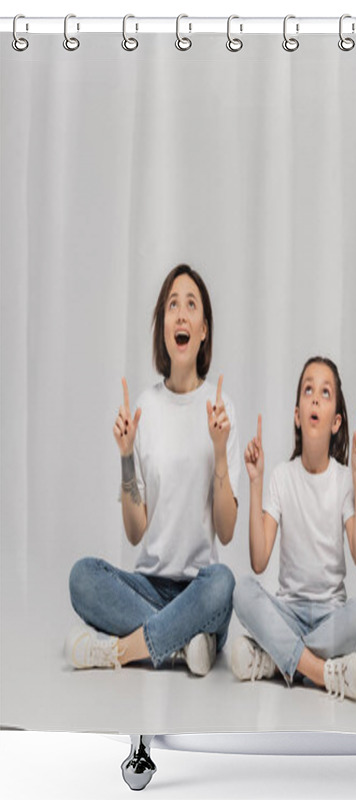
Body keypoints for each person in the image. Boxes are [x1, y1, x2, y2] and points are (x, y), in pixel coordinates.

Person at [65, 264, 241, 676]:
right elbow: (134, 531)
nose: (181, 314)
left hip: (200, 588)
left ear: (203, 331)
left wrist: (219, 452)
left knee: (224, 584)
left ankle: (121, 651)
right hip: (149, 586)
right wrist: (126, 455)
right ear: (163, 327)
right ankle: (182, 645)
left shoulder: (221, 409)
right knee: (82, 577)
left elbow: (228, 531)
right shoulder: (147, 406)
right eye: (172, 306)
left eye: (191, 306)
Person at [231, 357, 356, 701]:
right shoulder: (281, 476)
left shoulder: (342, 481)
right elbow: (259, 560)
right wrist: (256, 482)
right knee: (243, 592)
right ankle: (322, 672)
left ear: (336, 421)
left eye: (325, 393)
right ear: (297, 414)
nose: (314, 398)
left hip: (331, 615)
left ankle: (274, 659)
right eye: (308, 389)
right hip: (288, 611)